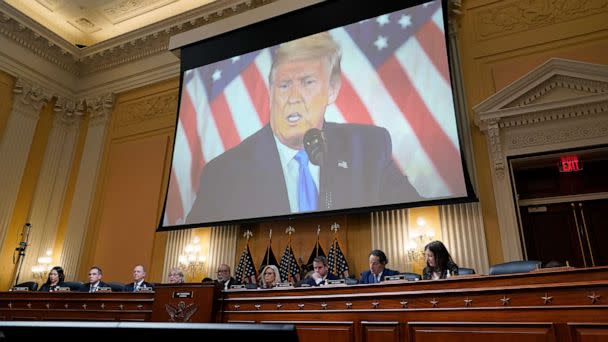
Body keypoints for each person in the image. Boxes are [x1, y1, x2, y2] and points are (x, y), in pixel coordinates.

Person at [186, 32, 421, 224]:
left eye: (307, 82)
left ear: (332, 90)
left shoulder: (368, 147)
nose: (293, 98)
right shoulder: (224, 173)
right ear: (271, 91)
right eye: (285, 85)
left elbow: (412, 214)